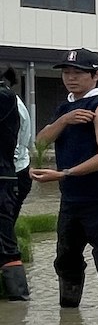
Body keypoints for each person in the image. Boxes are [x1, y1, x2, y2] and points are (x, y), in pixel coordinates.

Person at [29, 49, 98, 319]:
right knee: (66, 259)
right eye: (66, 73)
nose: (70, 78)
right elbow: (40, 141)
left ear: (96, 75)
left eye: (78, 73)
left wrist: (64, 174)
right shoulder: (65, 108)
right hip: (72, 198)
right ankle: (69, 318)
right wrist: (64, 120)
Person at [0, 67, 32, 300]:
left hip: (8, 175)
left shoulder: (6, 99)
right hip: (15, 173)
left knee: (4, 239)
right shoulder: (14, 100)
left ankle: (18, 302)